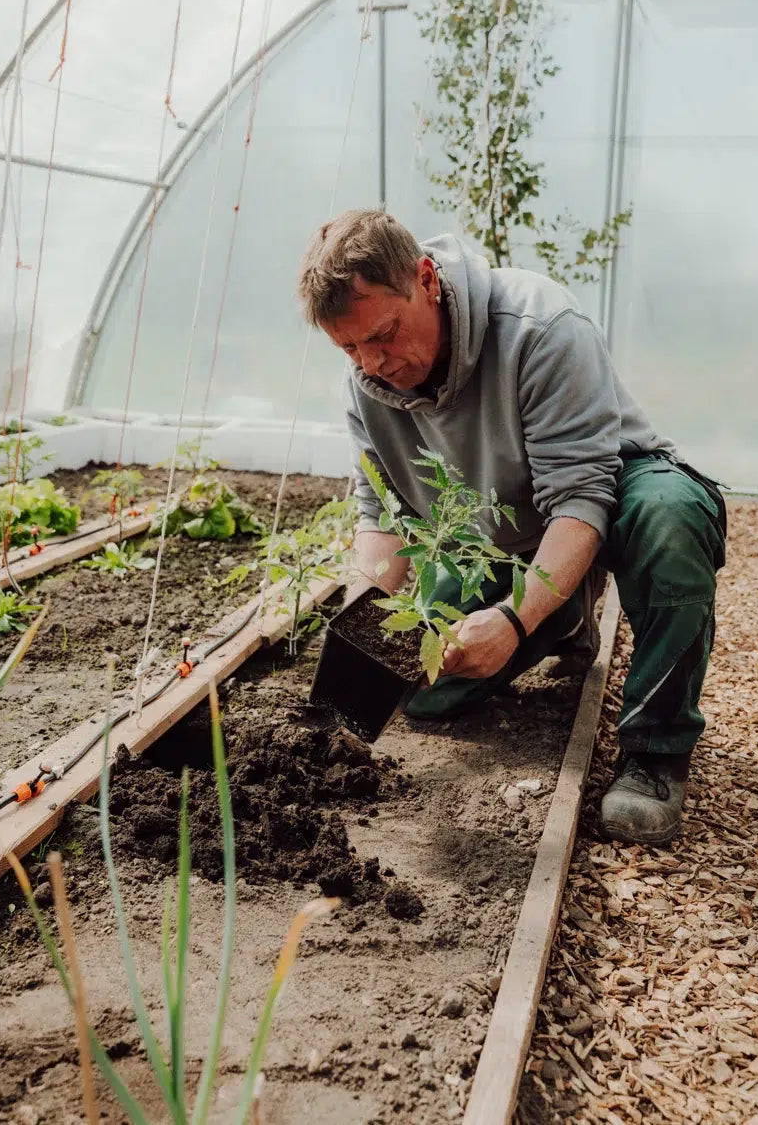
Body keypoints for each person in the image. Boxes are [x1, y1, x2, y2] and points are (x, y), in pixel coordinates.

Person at [297, 209, 726, 847]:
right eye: (350, 348)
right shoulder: (366, 380)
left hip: (612, 492)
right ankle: (565, 611)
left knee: (670, 516)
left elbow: (581, 498)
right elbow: (384, 517)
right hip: (506, 534)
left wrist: (512, 621)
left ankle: (656, 751)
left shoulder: (539, 325)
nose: (372, 362)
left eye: (383, 334)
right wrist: (362, 631)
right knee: (427, 694)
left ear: (425, 280)